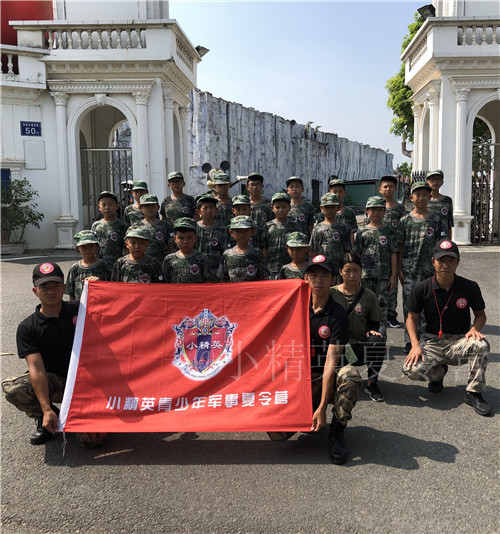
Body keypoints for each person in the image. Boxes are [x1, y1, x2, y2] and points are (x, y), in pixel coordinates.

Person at [268, 255, 361, 465]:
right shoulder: (295, 307)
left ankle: (337, 431)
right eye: (313, 275)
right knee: (276, 434)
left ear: (333, 279)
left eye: (324, 275)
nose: (318, 280)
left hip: (326, 376)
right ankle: (304, 415)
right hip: (300, 379)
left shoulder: (337, 314)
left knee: (350, 376)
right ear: (305, 278)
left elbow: (331, 363)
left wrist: (322, 407)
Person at [2, 262, 105, 448]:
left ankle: (85, 414)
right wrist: (46, 408)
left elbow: (112, 309)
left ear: (64, 288)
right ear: (35, 291)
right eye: (44, 287)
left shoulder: (80, 309)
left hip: (88, 383)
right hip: (57, 383)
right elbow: (37, 369)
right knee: (14, 388)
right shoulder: (27, 328)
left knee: (92, 440)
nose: (51, 292)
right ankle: (50, 418)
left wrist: (98, 286)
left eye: (56, 286)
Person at [403, 239, 491, 416]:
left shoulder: (470, 287)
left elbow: (480, 315)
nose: (446, 265)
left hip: (458, 342)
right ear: (433, 261)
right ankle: (438, 373)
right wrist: (414, 345)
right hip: (431, 341)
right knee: (410, 369)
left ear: (458, 262)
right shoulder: (421, 288)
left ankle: (474, 392)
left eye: (451, 260)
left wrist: (474, 329)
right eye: (441, 260)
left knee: (481, 345)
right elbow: (411, 318)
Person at [331, 253, 387, 402]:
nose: (351, 275)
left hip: (358, 347)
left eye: (356, 270)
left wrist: (372, 330)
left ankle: (371, 383)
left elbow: (375, 321)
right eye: (347, 271)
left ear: (361, 271)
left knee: (378, 341)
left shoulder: (369, 296)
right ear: (340, 271)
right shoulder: (331, 293)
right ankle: (329, 379)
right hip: (338, 348)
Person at [398, 181, 444, 353]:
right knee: (409, 306)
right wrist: (399, 270)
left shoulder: (436, 220)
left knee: (429, 306)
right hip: (409, 271)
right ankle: (410, 339)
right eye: (418, 194)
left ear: (430, 197)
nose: (421, 198)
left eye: (425, 194)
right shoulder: (405, 221)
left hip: (429, 271)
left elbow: (440, 246)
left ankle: (426, 338)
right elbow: (400, 246)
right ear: (411, 198)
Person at [353, 196, 398, 329]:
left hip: (384, 277)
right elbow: (357, 254)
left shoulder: (389, 231)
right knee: (364, 306)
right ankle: (365, 336)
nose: (376, 213)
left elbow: (394, 253)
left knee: (382, 308)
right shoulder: (362, 232)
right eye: (373, 210)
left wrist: (393, 275)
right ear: (367, 211)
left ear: (384, 211)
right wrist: (357, 275)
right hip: (365, 276)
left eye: (379, 210)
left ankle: (381, 337)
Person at [379, 174, 406, 328]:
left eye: (391, 186)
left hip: (394, 251)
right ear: (380, 189)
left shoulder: (400, 209)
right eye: (385, 186)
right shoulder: (376, 206)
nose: (388, 189)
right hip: (379, 252)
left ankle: (391, 314)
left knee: (392, 284)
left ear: (395, 189)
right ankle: (378, 314)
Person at [218, 216, 270, 282]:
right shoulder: (227, 254)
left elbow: (264, 279)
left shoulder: (257, 254)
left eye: (246, 231)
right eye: (238, 231)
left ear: (252, 232)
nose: (242, 235)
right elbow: (223, 280)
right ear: (231, 233)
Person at [309, 193, 351, 273]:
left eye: (333, 207)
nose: (330, 210)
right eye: (327, 207)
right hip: (322, 267)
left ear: (338, 208)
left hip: (339, 268)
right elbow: (313, 250)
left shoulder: (343, 227)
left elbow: (347, 250)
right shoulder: (317, 228)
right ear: (321, 208)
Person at [163, 217, 214, 283]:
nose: (185, 242)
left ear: (195, 238)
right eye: (181, 238)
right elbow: (165, 283)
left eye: (189, 238)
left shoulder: (202, 258)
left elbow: (208, 281)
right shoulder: (169, 260)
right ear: (175, 239)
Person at [65, 230, 111, 300]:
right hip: (79, 305)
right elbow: (71, 294)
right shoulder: (74, 269)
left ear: (97, 247)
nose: (87, 249)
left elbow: (110, 290)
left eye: (91, 246)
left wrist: (99, 283)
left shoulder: (104, 267)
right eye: (83, 246)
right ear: (78, 248)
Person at [263, 192, 300, 278]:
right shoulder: (268, 226)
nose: (281, 210)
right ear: (272, 208)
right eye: (277, 207)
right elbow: (264, 247)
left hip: (290, 267)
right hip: (272, 268)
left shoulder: (294, 226)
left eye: (284, 207)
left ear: (289, 207)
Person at [92, 191, 128, 268]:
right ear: (99, 207)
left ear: (117, 206)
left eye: (110, 204)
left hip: (116, 265)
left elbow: (126, 247)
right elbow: (92, 245)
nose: (107, 207)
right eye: (104, 205)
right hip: (99, 265)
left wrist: (125, 263)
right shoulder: (96, 225)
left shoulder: (122, 225)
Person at [195, 194, 228, 275]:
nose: (209, 211)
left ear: (216, 210)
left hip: (216, 271)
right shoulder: (194, 228)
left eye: (211, 207)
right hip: (198, 270)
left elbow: (225, 253)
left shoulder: (222, 229)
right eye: (205, 208)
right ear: (198, 211)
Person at [138, 194, 174, 261]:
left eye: (152, 205)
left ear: (158, 207)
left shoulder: (165, 226)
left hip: (161, 262)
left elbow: (170, 246)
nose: (150, 208)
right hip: (142, 263)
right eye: (147, 206)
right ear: (140, 208)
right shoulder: (136, 227)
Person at [328, 177, 358, 245]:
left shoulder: (350, 212)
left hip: (345, 248)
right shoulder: (325, 212)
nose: (337, 194)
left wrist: (351, 248)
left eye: (340, 191)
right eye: (335, 192)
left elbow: (352, 233)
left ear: (344, 193)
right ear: (329, 193)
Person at [426, 169, 454, 239]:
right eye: (432, 179)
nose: (435, 181)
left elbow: (449, 223)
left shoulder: (447, 200)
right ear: (427, 181)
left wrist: (449, 241)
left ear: (442, 182)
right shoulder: (423, 201)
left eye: (438, 179)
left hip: (443, 238)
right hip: (427, 238)